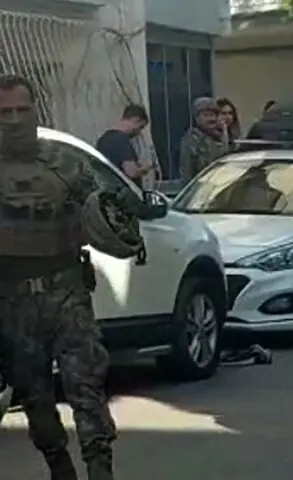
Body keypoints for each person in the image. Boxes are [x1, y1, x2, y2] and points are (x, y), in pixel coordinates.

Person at [0, 74, 147, 479]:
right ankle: (60, 468)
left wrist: (124, 219)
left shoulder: (65, 162)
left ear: (35, 111)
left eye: (21, 109)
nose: (13, 119)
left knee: (87, 389)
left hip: (67, 292)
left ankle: (101, 471)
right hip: (12, 302)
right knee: (34, 399)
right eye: (4, 112)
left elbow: (111, 208)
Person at [95, 104, 153, 188]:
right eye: (141, 127)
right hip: (123, 194)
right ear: (135, 120)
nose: (139, 132)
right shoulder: (121, 141)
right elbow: (132, 172)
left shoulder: (104, 139)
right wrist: (146, 168)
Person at [179, 97, 227, 185]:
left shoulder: (220, 136)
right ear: (197, 118)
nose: (211, 119)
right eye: (206, 115)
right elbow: (187, 173)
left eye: (213, 115)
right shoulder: (192, 140)